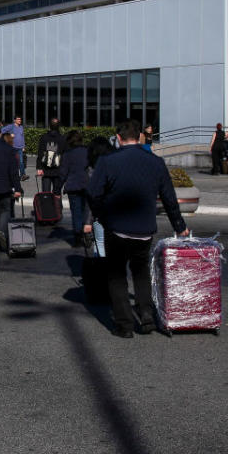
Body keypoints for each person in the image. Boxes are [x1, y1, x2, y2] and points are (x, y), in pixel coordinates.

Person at [87, 120, 189, 338]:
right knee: (141, 272)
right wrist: (179, 226)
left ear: (119, 138)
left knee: (116, 276)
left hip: (116, 227)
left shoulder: (107, 161)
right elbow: (170, 198)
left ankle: (124, 325)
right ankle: (146, 315)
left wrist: (102, 216)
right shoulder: (156, 162)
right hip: (144, 229)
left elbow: (93, 193)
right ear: (140, 137)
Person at [57, 130, 90, 245]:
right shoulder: (87, 151)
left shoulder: (67, 154)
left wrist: (57, 189)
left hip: (73, 185)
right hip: (87, 184)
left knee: (76, 211)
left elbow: (63, 173)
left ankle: (77, 235)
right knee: (86, 209)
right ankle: (87, 232)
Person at [36, 118, 67, 194]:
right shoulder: (62, 138)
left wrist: (39, 168)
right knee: (57, 194)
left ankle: (46, 206)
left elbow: (40, 153)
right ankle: (57, 206)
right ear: (59, 126)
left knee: (46, 194)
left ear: (49, 126)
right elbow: (65, 155)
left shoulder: (44, 137)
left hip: (46, 168)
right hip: (58, 169)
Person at [1, 115, 27, 181]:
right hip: (13, 147)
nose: (19, 120)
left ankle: (22, 175)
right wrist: (9, 135)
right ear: (14, 120)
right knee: (12, 162)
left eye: (20, 119)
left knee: (21, 162)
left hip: (20, 148)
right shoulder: (11, 126)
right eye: (18, 119)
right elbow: (2, 130)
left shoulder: (21, 127)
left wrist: (23, 146)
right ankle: (11, 175)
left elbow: (22, 137)